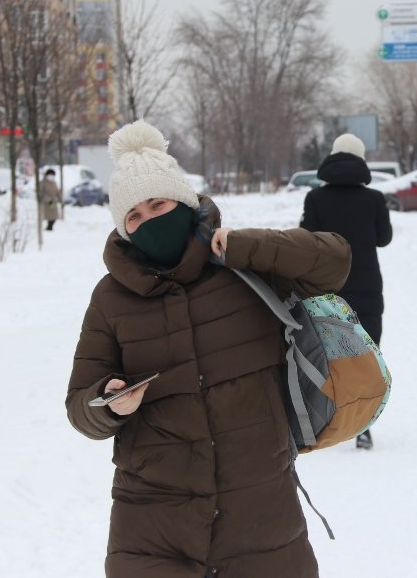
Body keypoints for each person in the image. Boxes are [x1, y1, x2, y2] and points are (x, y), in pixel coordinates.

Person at [65, 120, 350, 578]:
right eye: (133, 216)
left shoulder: (242, 268)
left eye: (158, 204)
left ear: (184, 201)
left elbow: (335, 261)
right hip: (152, 522)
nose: (148, 221)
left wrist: (251, 247)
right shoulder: (110, 298)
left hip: (260, 512)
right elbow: (80, 408)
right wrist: (109, 403)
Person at [299, 132, 392, 450]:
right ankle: (363, 424)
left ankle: (327, 419)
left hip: (326, 290)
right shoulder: (375, 199)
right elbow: (384, 238)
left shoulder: (315, 199)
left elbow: (305, 240)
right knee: (366, 354)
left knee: (327, 356)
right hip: (367, 287)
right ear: (362, 160)